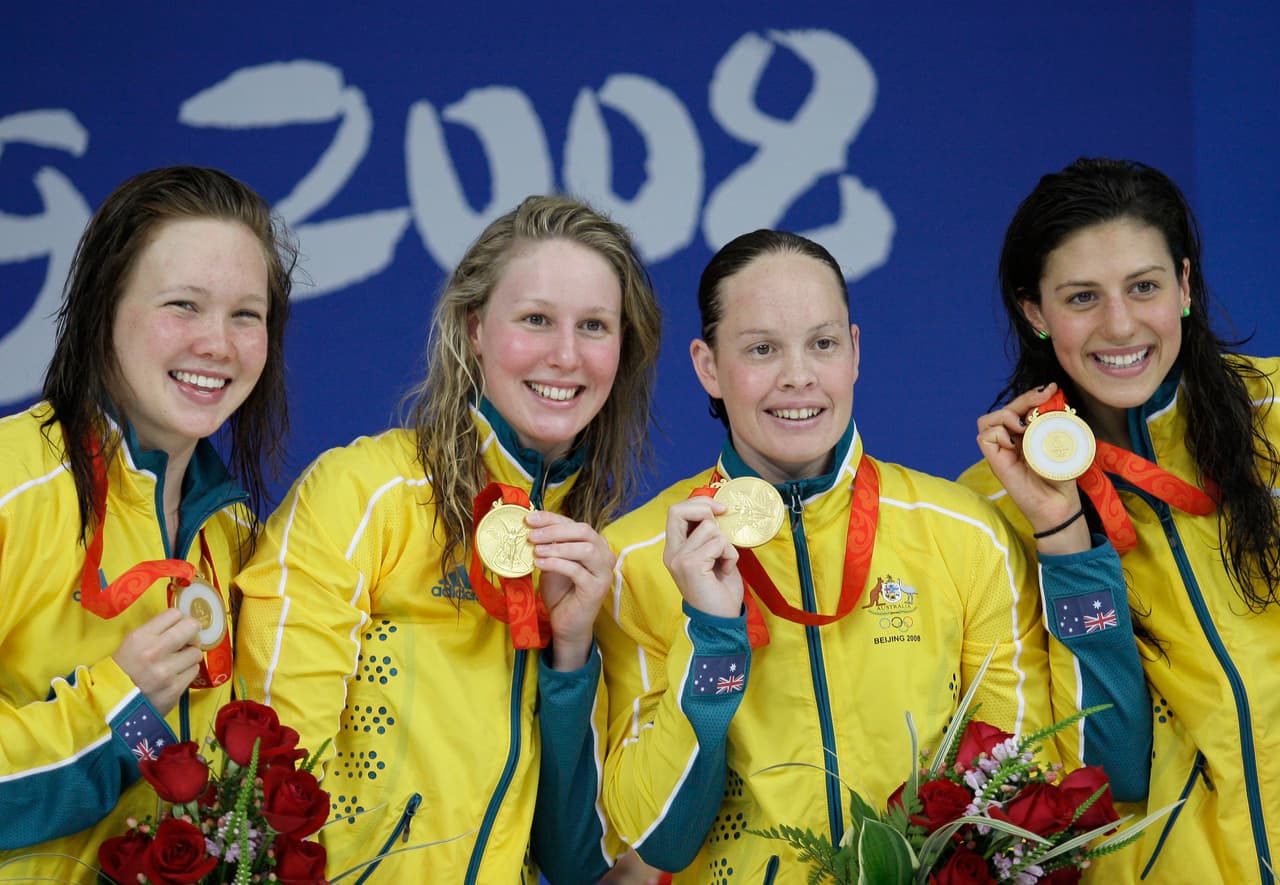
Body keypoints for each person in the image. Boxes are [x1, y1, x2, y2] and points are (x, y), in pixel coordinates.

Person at [595, 229, 1051, 882]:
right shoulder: (636, 560)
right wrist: (712, 638)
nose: (798, 375)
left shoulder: (965, 533)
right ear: (708, 366)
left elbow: (1020, 790)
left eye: (823, 343)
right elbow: (658, 835)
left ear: (855, 351)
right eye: (761, 348)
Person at [234, 195, 662, 883]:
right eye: (536, 319)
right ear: (474, 329)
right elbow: (266, 777)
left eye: (594, 326)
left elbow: (575, 860)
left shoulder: (591, 558)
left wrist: (571, 652)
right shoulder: (368, 493)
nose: (566, 354)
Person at [960, 157, 1280, 884]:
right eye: (1082, 297)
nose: (1121, 324)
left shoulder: (1276, 412)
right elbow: (1105, 770)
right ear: (1035, 313)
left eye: (1144, 286)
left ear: (1185, 286)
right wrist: (1062, 534)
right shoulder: (991, 510)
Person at [0, 165, 294, 882]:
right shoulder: (14, 484)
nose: (217, 344)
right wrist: (117, 705)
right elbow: (127, 722)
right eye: (183, 305)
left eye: (246, 315)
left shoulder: (231, 531)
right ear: (103, 307)